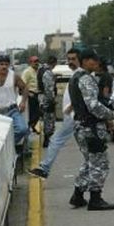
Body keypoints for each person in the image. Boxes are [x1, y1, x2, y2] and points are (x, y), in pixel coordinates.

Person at [68, 50, 114, 211]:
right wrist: (110, 114)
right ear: (86, 61)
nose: (97, 63)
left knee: (89, 162)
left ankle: (78, 194)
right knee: (100, 163)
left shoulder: (75, 77)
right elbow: (93, 105)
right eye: (94, 60)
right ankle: (95, 198)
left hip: (81, 125)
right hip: (91, 127)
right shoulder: (86, 79)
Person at [29, 49, 80, 180]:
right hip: (71, 115)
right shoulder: (73, 74)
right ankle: (45, 168)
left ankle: (45, 168)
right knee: (54, 135)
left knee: (56, 138)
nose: (70, 62)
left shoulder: (80, 75)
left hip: (76, 115)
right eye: (69, 59)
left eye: (73, 59)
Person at [0, 55, 31, 156]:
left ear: (9, 65)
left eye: (6, 64)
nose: (3, 67)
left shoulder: (14, 76)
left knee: (22, 129)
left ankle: (8, 147)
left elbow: (25, 88)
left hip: (12, 110)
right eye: (1, 64)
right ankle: (2, 151)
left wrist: (23, 102)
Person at [37, 56, 58, 148]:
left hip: (42, 98)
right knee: (49, 119)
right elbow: (49, 89)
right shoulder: (48, 73)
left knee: (46, 118)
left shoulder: (41, 69)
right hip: (47, 99)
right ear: (54, 63)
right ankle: (47, 139)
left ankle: (47, 138)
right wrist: (52, 100)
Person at [21, 56, 42, 133]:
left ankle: (34, 128)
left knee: (38, 113)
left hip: (37, 95)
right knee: (32, 114)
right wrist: (29, 93)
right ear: (30, 63)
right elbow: (22, 84)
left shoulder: (38, 71)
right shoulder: (27, 72)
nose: (36, 63)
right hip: (30, 95)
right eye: (34, 61)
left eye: (37, 61)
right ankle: (31, 128)